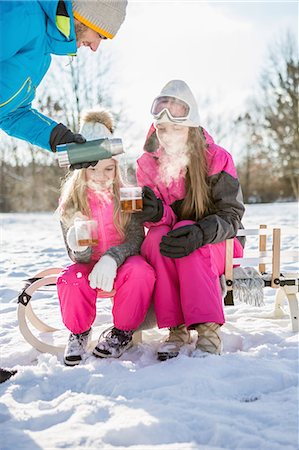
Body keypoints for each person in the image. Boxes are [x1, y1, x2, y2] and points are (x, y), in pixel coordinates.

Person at [136, 79, 245, 360]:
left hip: (220, 241)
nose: (167, 134)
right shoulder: (147, 164)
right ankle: (176, 329)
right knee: (158, 237)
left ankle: (208, 331)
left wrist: (200, 231)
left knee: (187, 230)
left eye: (176, 128)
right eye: (161, 128)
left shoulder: (217, 158)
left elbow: (231, 216)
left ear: (191, 126)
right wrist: (157, 213)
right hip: (174, 242)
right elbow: (159, 222)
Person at [57, 109, 155, 365]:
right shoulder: (71, 202)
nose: (101, 177)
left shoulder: (128, 196)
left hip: (123, 262)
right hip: (88, 265)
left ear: (116, 168)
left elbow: (136, 240)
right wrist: (78, 245)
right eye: (93, 169)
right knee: (71, 279)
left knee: (141, 272)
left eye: (108, 169)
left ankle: (122, 332)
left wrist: (113, 258)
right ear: (81, 169)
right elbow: (73, 254)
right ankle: (78, 333)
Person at [0, 0, 127, 157]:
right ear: (85, 16)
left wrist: (58, 138)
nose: (95, 47)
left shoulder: (41, 58)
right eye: (100, 35)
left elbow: (11, 114)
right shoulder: (22, 13)